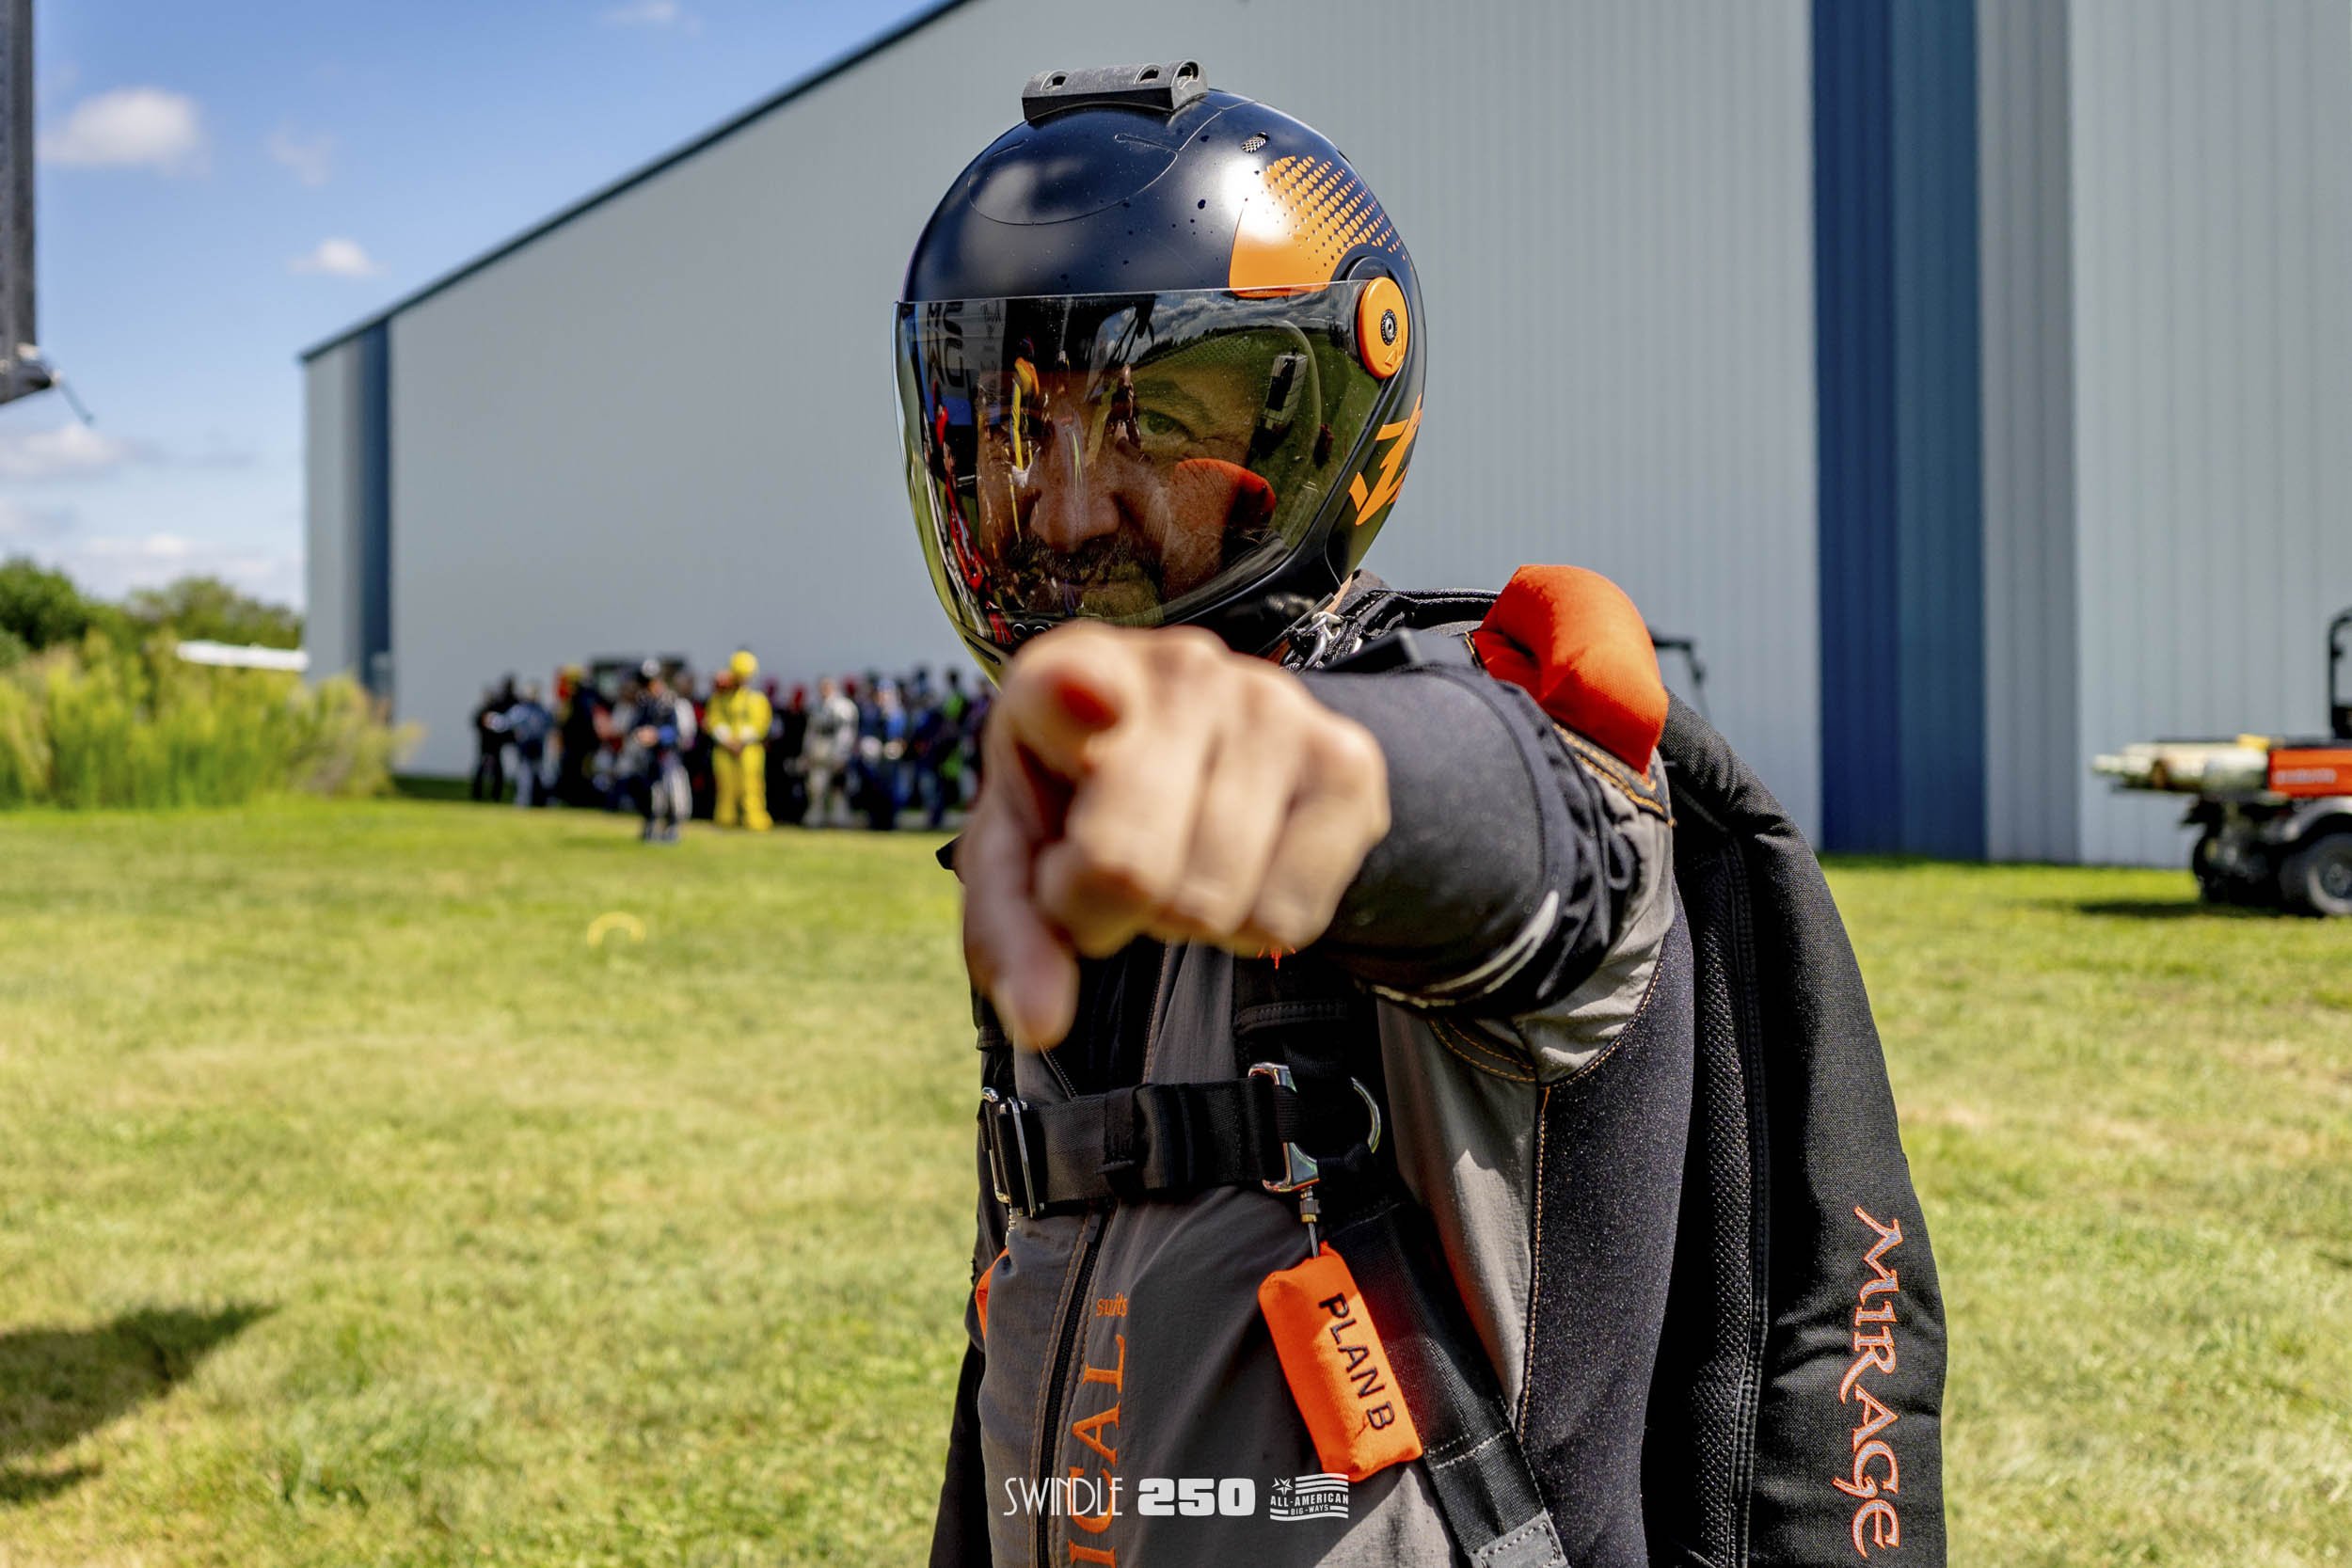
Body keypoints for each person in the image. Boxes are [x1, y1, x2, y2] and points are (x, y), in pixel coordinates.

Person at [904, 67, 1946, 1568]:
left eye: (1148, 423)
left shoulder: (1487, 737)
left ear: (1325, 409)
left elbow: (1532, 834)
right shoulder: (1074, 842)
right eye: (1016, 427)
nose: (1062, 509)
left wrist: (1305, 772)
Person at [613, 658, 694, 843]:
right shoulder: (644, 704)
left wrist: (657, 735)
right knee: (650, 794)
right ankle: (650, 825)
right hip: (649, 759)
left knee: (674, 794)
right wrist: (641, 734)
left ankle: (672, 827)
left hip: (669, 756)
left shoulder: (673, 702)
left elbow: (682, 734)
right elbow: (634, 727)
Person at [707, 649, 774, 831]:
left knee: (751, 787)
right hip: (724, 749)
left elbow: (761, 724)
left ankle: (754, 820)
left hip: (749, 750)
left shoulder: (757, 699)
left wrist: (741, 741)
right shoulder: (720, 698)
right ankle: (725, 819)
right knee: (726, 787)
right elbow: (713, 720)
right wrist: (727, 739)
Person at [803, 676, 859, 828]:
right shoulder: (816, 707)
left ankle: (839, 818)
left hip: (835, 750)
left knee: (838, 788)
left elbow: (846, 734)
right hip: (818, 750)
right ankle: (816, 817)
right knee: (816, 787)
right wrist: (807, 753)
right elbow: (810, 733)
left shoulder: (844, 707)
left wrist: (842, 755)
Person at [503, 680, 555, 807]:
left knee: (531, 774)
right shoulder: (539, 710)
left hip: (532, 746)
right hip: (531, 746)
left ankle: (528, 801)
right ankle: (531, 800)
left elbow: (506, 722)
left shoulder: (525, 710)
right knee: (532, 774)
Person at [469, 679, 513, 802]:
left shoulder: (497, 711)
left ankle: (495, 795)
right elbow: (476, 724)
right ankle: (478, 794)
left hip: (495, 746)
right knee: (482, 770)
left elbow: (503, 727)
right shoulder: (482, 711)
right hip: (485, 745)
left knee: (497, 771)